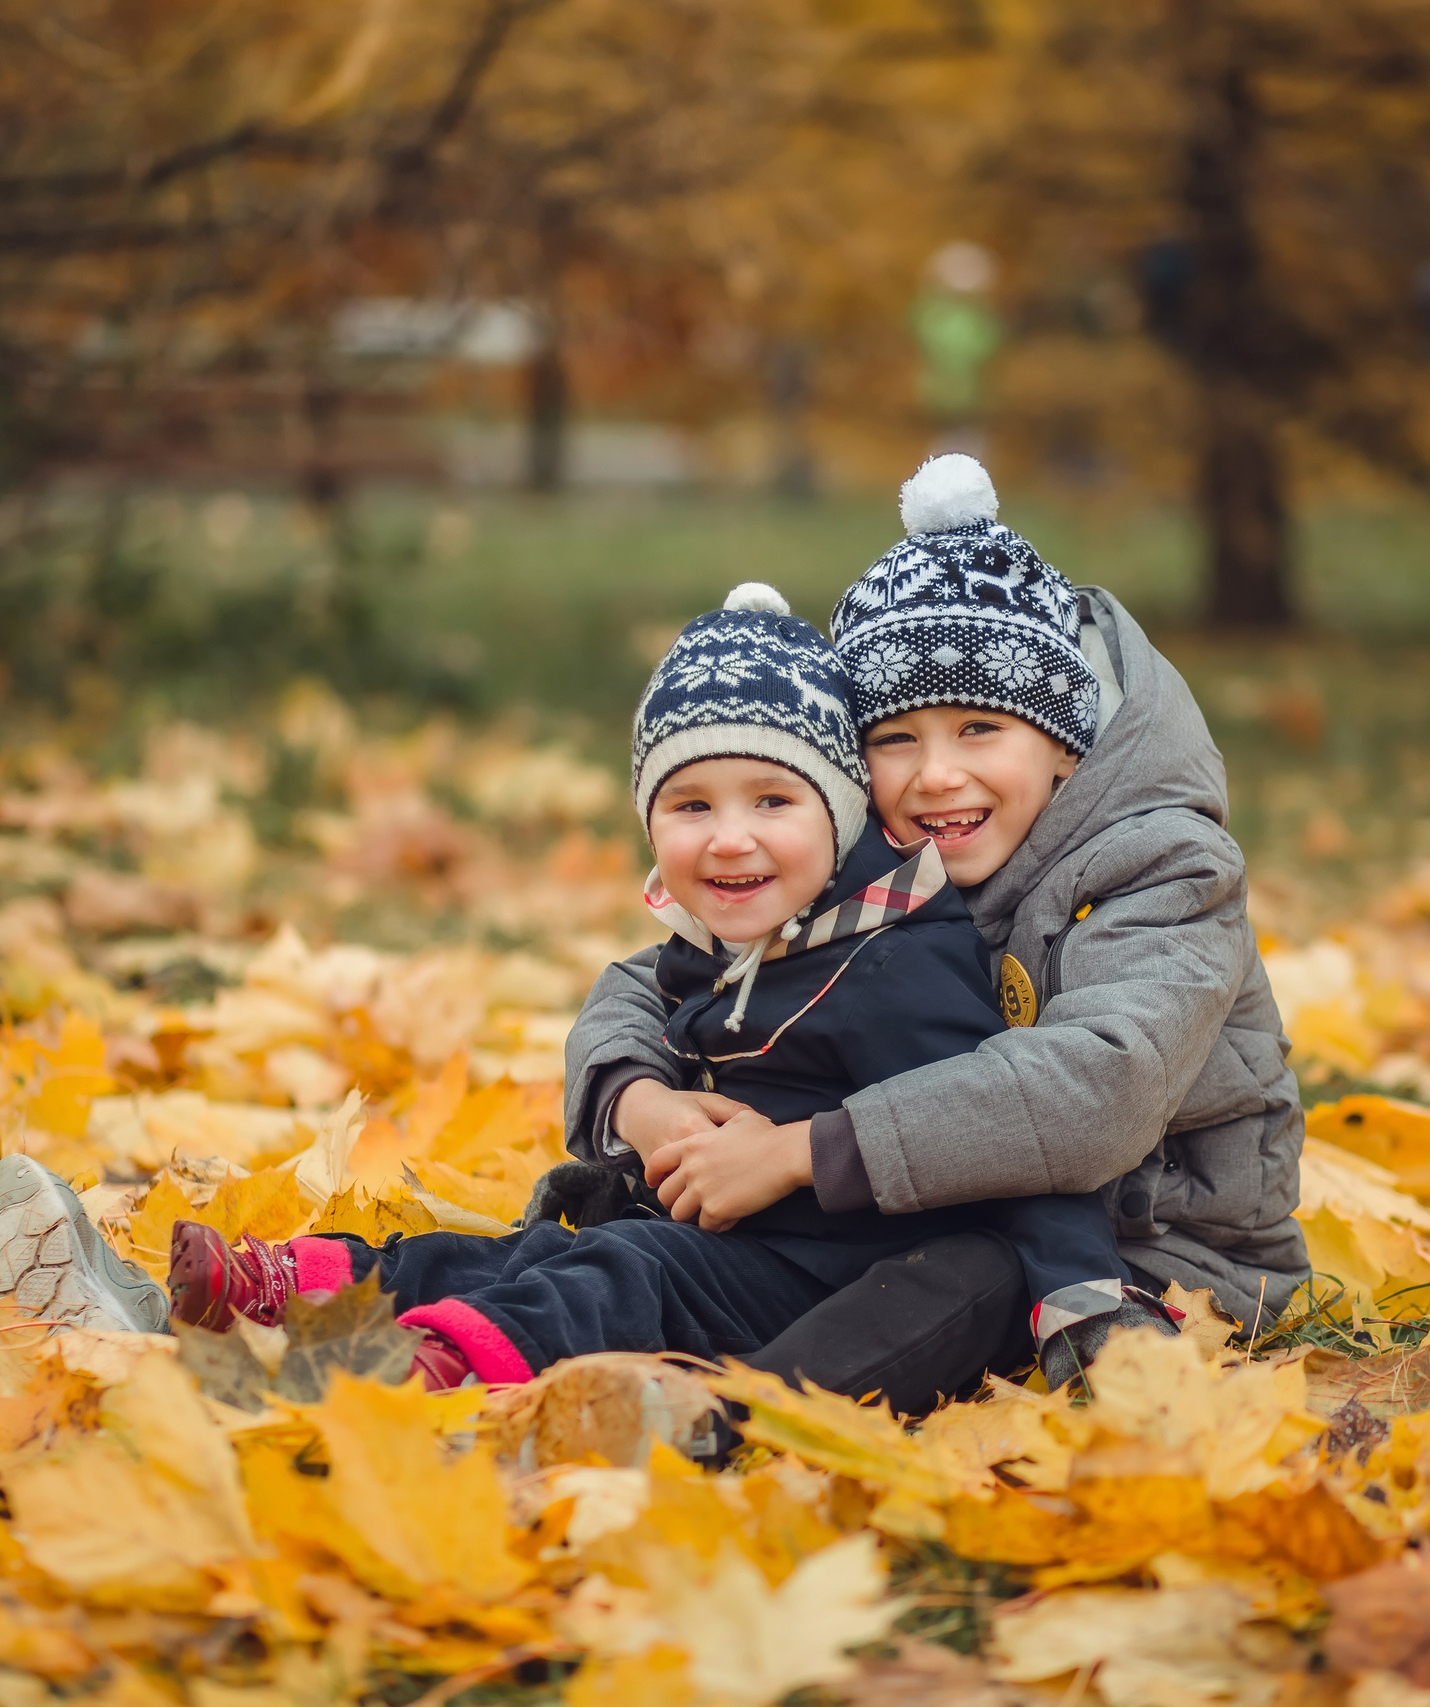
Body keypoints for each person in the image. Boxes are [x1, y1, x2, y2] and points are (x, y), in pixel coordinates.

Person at [0, 581, 1148, 1390]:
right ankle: (264, 1289)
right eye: (691, 808)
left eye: (771, 805)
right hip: (709, 1226)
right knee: (506, 1250)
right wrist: (640, 1101)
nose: (728, 841)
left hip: (821, 1270)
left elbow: (1019, 1135)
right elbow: (632, 996)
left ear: (839, 825)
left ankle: (422, 1368)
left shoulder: (898, 961)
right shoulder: (745, 942)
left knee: (615, 1272)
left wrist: (1086, 1301)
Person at [562, 454, 1311, 1412]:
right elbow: (654, 978)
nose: (937, 777)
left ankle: (746, 1416)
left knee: (964, 1275)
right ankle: (518, 1326)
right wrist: (637, 1102)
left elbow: (1101, 1085)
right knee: (705, 1247)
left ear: (1063, 744)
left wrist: (799, 1150)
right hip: (920, 1208)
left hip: (1151, 1245)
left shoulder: (1164, 868)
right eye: (895, 738)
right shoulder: (876, 859)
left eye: (980, 729)